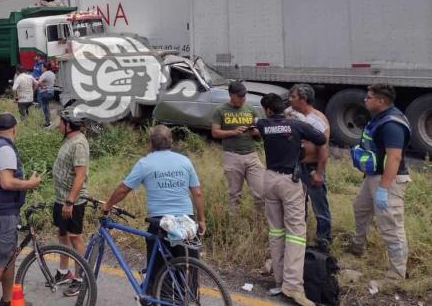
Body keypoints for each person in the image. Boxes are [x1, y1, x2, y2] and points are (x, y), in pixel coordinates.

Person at [102, 124, 206, 296]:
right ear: (171, 142)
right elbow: (198, 193)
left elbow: (123, 189)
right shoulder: (185, 161)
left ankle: (160, 297)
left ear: (150, 143)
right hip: (186, 222)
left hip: (161, 223)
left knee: (159, 271)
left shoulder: (145, 163)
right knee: (188, 268)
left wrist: (107, 205)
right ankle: (190, 297)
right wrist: (201, 220)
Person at [257, 93, 327, 306]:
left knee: (276, 231)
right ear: (283, 108)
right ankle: (293, 286)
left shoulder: (263, 124)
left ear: (268, 110)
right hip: (290, 181)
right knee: (296, 232)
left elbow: (253, 128)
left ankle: (279, 281)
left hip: (268, 179)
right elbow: (321, 139)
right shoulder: (296, 125)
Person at [350, 84, 412, 280]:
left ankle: (396, 274)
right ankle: (358, 247)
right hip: (373, 177)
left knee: (391, 226)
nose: (365, 100)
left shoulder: (392, 124)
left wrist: (384, 189)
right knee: (360, 208)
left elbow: (394, 158)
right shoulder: (379, 118)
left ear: (381, 101)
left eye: (369, 97)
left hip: (388, 180)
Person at [0, 113, 42, 306]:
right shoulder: (5, 149)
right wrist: (30, 184)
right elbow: (6, 182)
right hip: (1, 214)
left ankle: (7, 300)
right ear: (14, 128)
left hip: (3, 211)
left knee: (8, 258)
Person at [286, 83, 332, 250]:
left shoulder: (317, 120)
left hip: (311, 167)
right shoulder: (290, 114)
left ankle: (323, 239)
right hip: (295, 165)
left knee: (319, 204)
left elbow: (323, 148)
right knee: (298, 203)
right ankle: (299, 234)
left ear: (303, 99)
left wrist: (319, 173)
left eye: (293, 96)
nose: (290, 99)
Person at [51, 109, 90, 296]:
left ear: (68, 125)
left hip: (72, 201)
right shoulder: (69, 140)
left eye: (61, 122)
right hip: (61, 198)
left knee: (75, 237)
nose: (58, 124)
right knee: (62, 234)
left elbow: (80, 176)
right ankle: (64, 272)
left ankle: (81, 278)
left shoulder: (79, 144)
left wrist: (70, 201)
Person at [211, 80, 265, 214]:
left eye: (244, 96)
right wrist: (233, 132)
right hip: (232, 155)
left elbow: (260, 131)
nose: (243, 99)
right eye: (240, 96)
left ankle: (259, 221)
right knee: (234, 194)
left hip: (251, 155)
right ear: (231, 95)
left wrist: (255, 132)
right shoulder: (220, 110)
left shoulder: (250, 109)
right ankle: (234, 223)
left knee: (261, 192)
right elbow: (215, 133)